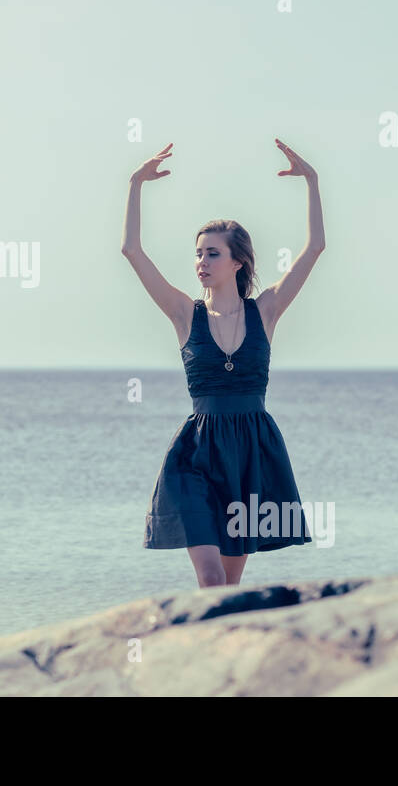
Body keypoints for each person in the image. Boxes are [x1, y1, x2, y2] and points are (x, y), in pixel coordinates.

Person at [121, 139, 325, 588]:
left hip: (251, 453)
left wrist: (311, 180)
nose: (201, 262)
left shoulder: (265, 311)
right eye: (198, 253)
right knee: (211, 578)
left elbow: (315, 249)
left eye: (212, 253)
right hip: (196, 456)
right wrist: (136, 184)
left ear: (238, 262)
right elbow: (132, 251)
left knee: (227, 590)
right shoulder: (183, 313)